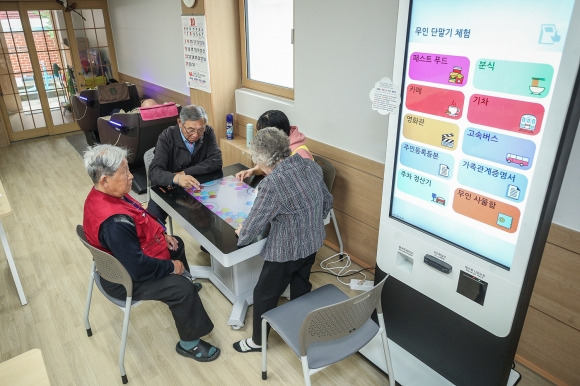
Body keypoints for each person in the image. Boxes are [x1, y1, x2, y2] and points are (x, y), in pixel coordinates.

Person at [82, 144, 220, 362]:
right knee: (181, 289)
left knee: (177, 245)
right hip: (124, 278)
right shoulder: (114, 223)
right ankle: (189, 344)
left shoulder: (103, 195)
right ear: (105, 180)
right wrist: (170, 267)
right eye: (124, 172)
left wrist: (160, 235)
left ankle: (186, 290)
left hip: (125, 261)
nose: (131, 177)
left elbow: (138, 220)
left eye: (128, 169)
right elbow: (138, 267)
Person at [232, 128, 333, 353]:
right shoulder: (310, 165)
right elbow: (327, 200)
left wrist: (242, 233)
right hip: (313, 240)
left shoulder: (273, 184)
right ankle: (300, 324)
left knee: (263, 294)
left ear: (259, 159)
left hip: (286, 250)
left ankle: (258, 342)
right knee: (300, 282)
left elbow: (254, 224)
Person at [147, 104, 223, 223]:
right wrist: (177, 178)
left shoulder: (208, 132)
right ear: (179, 123)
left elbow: (216, 161)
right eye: (191, 130)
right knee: (152, 223)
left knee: (211, 219)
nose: (196, 135)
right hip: (170, 188)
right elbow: (154, 172)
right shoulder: (167, 136)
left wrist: (185, 173)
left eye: (200, 130)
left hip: (198, 186)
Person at [235, 110, 312, 182]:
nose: (260, 139)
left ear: (276, 134)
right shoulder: (275, 146)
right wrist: (251, 171)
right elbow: (268, 166)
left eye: (264, 134)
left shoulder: (301, 154)